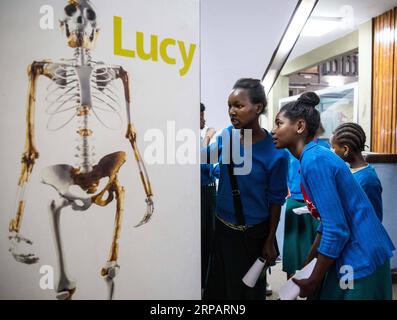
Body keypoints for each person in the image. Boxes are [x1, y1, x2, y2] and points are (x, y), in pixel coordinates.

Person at [272, 91, 395, 300]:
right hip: (357, 252)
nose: (273, 131)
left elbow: (336, 228)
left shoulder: (314, 161)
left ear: (300, 126)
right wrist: (309, 264)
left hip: (360, 256)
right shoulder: (313, 157)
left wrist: (313, 279)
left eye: (278, 124)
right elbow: (329, 221)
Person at [203, 78, 288, 300]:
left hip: (254, 236)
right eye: (229, 106)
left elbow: (276, 201)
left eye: (238, 106)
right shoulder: (227, 136)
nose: (232, 112)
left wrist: (269, 240)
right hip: (222, 230)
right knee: (219, 291)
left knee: (248, 292)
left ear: (258, 108)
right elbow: (204, 161)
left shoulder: (276, 151)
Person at [282, 125, 328, 279]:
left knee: (315, 244)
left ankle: (314, 286)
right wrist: (286, 187)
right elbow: (283, 170)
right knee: (292, 246)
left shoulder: (323, 146)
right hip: (295, 199)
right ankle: (290, 289)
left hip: (317, 201)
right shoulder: (289, 147)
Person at [331, 122, 383, 221]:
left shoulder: (368, 181)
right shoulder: (348, 170)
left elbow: (374, 219)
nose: (332, 151)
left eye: (334, 147)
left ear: (345, 149)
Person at [200, 103, 217, 295]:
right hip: (202, 194)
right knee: (204, 239)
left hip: (209, 192)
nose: (204, 120)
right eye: (201, 116)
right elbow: (202, 162)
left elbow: (210, 167)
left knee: (209, 239)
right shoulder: (194, 141)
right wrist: (208, 137)